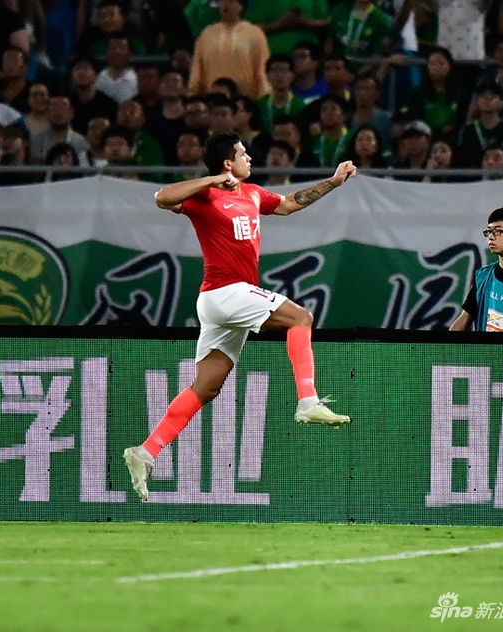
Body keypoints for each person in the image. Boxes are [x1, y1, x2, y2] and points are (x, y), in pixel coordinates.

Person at [122, 131, 356, 501]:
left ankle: (146, 451)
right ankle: (308, 401)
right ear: (228, 162)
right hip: (223, 291)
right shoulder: (205, 195)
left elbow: (291, 202)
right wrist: (213, 179)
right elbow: (161, 198)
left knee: (206, 387)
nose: (250, 157)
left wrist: (333, 181)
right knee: (301, 318)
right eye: (243, 153)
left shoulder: (252, 193)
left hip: (226, 301)